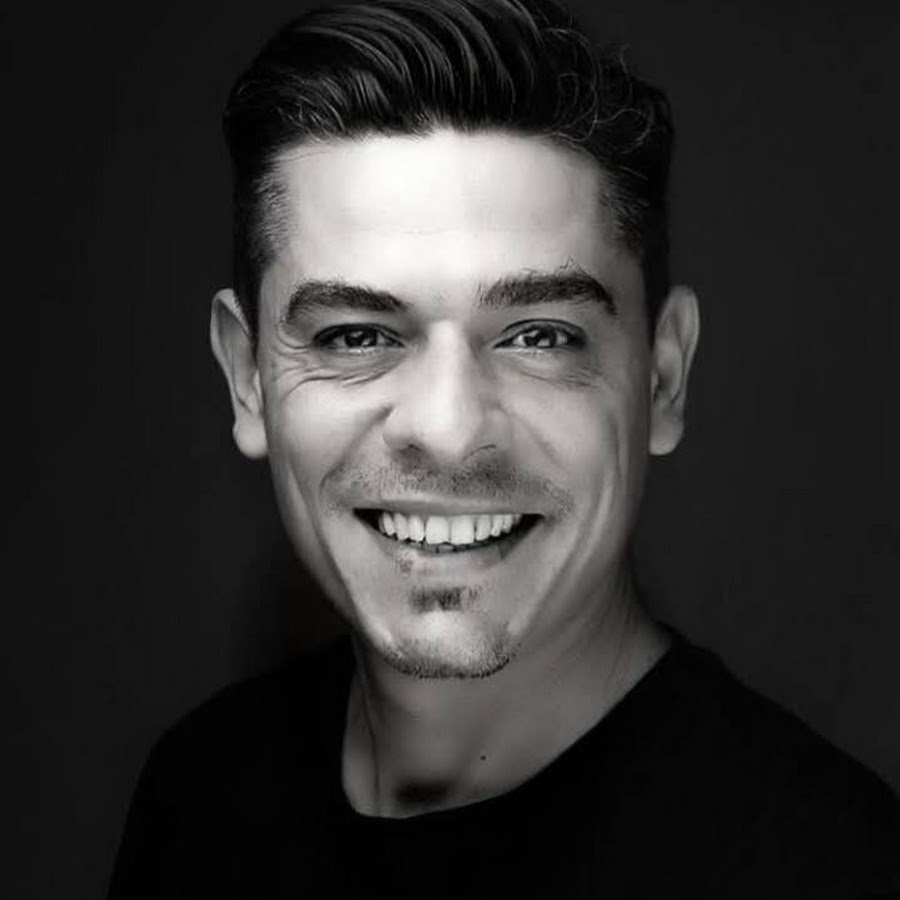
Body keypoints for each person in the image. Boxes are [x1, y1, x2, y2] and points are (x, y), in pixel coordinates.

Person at [109, 0, 900, 896]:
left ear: (663, 378)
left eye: (539, 336)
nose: (448, 431)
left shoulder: (834, 869)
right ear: (247, 380)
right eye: (356, 336)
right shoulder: (200, 799)